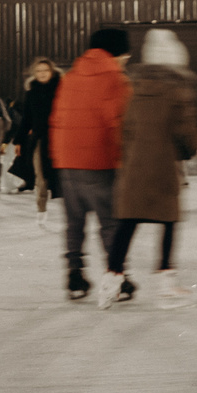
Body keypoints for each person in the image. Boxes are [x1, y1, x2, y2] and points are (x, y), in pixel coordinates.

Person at [103, 27, 197, 309]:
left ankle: (111, 279)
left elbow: (124, 131)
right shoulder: (177, 92)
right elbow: (186, 134)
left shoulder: (135, 91)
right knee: (168, 222)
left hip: (134, 169)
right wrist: (188, 150)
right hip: (163, 169)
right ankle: (165, 283)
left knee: (128, 222)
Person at [48, 27, 130, 300]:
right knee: (109, 223)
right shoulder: (114, 79)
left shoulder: (70, 76)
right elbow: (118, 123)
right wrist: (125, 159)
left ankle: (74, 275)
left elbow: (57, 119)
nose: (126, 61)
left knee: (74, 223)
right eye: (125, 56)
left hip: (67, 162)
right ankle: (119, 277)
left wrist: (58, 158)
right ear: (116, 53)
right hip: (99, 162)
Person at [12, 56, 61, 223]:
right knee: (40, 175)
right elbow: (26, 119)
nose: (42, 74)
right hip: (40, 138)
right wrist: (18, 140)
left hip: (60, 138)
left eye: (45, 70)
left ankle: (72, 212)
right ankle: (41, 208)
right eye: (38, 71)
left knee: (63, 175)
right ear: (34, 73)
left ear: (51, 71)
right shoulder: (32, 92)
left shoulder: (62, 89)